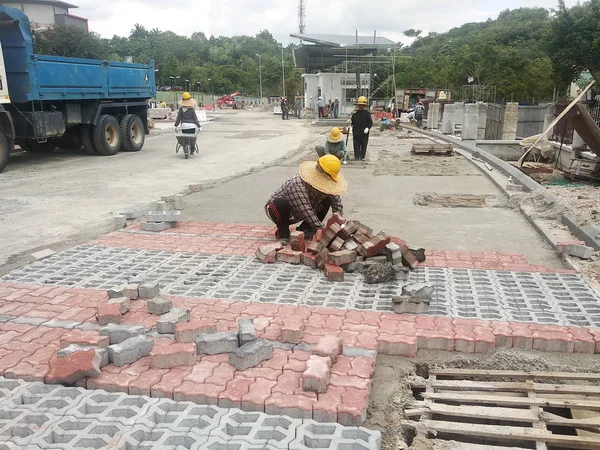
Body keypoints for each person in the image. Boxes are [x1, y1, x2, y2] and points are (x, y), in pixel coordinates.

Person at [265, 155, 347, 243]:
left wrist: (338, 222)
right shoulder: (298, 184)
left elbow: (335, 200)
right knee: (280, 203)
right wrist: (322, 230)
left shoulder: (329, 180)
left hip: (302, 210)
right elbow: (305, 210)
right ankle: (283, 233)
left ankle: (306, 229)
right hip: (280, 211)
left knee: (327, 200)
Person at [350, 96, 372, 161]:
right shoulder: (355, 113)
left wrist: (368, 128)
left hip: (364, 133)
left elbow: (370, 122)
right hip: (356, 132)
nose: (361, 107)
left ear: (364, 106)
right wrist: (350, 123)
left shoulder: (367, 114)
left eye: (362, 105)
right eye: (360, 105)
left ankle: (362, 156)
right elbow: (352, 122)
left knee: (364, 145)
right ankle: (356, 156)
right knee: (356, 145)